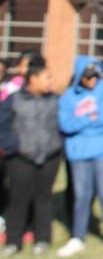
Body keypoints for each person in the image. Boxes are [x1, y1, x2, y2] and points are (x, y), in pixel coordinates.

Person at [56, 56, 103, 257]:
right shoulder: (68, 96)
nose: (93, 79)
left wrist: (82, 121)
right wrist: (90, 118)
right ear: (79, 77)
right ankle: (78, 236)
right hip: (79, 153)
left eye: (95, 75)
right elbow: (65, 124)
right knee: (81, 196)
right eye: (88, 76)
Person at [0, 56, 61, 256]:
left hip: (50, 157)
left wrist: (57, 147)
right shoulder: (15, 99)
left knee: (43, 199)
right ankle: (13, 240)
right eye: (46, 77)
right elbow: (3, 124)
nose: (50, 81)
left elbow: (64, 125)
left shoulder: (55, 100)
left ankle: (42, 238)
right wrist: (12, 147)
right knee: (18, 200)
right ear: (33, 78)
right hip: (20, 158)